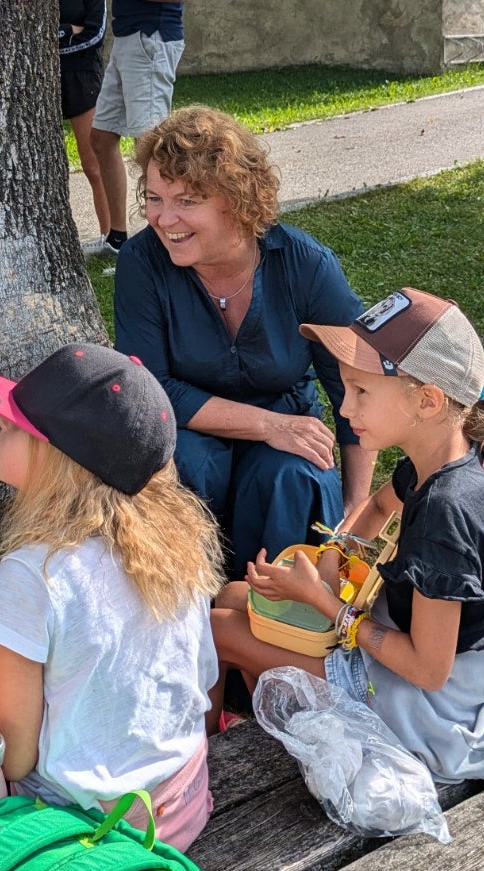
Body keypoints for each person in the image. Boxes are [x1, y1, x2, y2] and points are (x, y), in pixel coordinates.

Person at [0, 343, 224, 864]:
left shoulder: (35, 573)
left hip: (78, 837)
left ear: (58, 456)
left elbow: (11, 757)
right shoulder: (179, 547)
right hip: (173, 811)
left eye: (14, 424)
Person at [210, 288, 484, 782]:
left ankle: (203, 774)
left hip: (432, 708)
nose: (345, 409)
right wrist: (337, 553)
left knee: (217, 630)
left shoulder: (448, 514)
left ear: (426, 400)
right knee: (235, 596)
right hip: (421, 664)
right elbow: (378, 505)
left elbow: (428, 671)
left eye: (361, 392)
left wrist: (324, 602)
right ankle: (291, 727)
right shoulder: (447, 458)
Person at [114, 105, 374, 578]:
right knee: (183, 464)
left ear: (235, 199)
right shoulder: (141, 264)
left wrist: (356, 507)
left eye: (187, 201)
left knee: (296, 475)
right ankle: (192, 613)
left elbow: (356, 384)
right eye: (154, 198)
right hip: (190, 429)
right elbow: (151, 390)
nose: (163, 218)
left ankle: (280, 625)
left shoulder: (306, 266)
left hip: (285, 424)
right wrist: (269, 425)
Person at [85, 0, 185, 258]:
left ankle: (164, 240)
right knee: (101, 137)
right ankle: (117, 240)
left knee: (154, 149)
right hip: (128, 38)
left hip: (151, 38)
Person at [59, 1, 110, 245]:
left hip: (84, 77)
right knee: (48, 164)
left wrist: (61, 35)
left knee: (93, 164)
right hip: (46, 77)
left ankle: (109, 236)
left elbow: (95, 35)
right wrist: (70, 30)